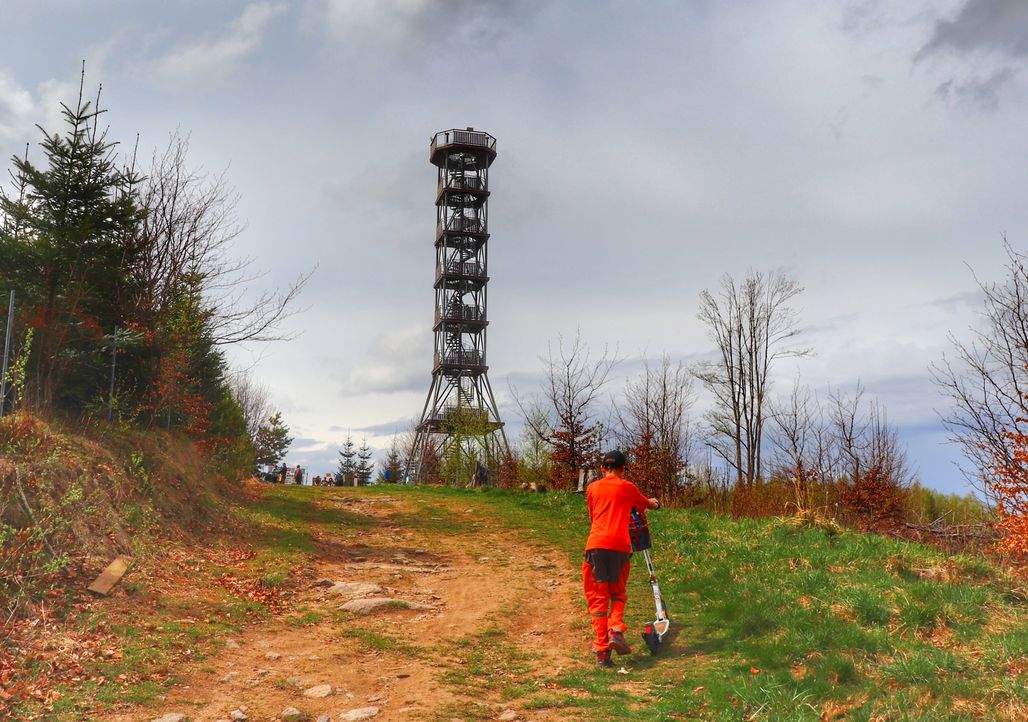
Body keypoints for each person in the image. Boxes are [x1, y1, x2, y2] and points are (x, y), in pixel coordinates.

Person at [583, 449, 660, 668]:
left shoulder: (592, 488)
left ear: (602, 468)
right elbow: (647, 504)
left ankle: (602, 654)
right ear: (623, 469)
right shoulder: (627, 488)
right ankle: (615, 629)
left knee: (598, 600)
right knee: (617, 593)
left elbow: (593, 515)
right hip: (620, 547)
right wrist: (655, 503)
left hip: (596, 546)